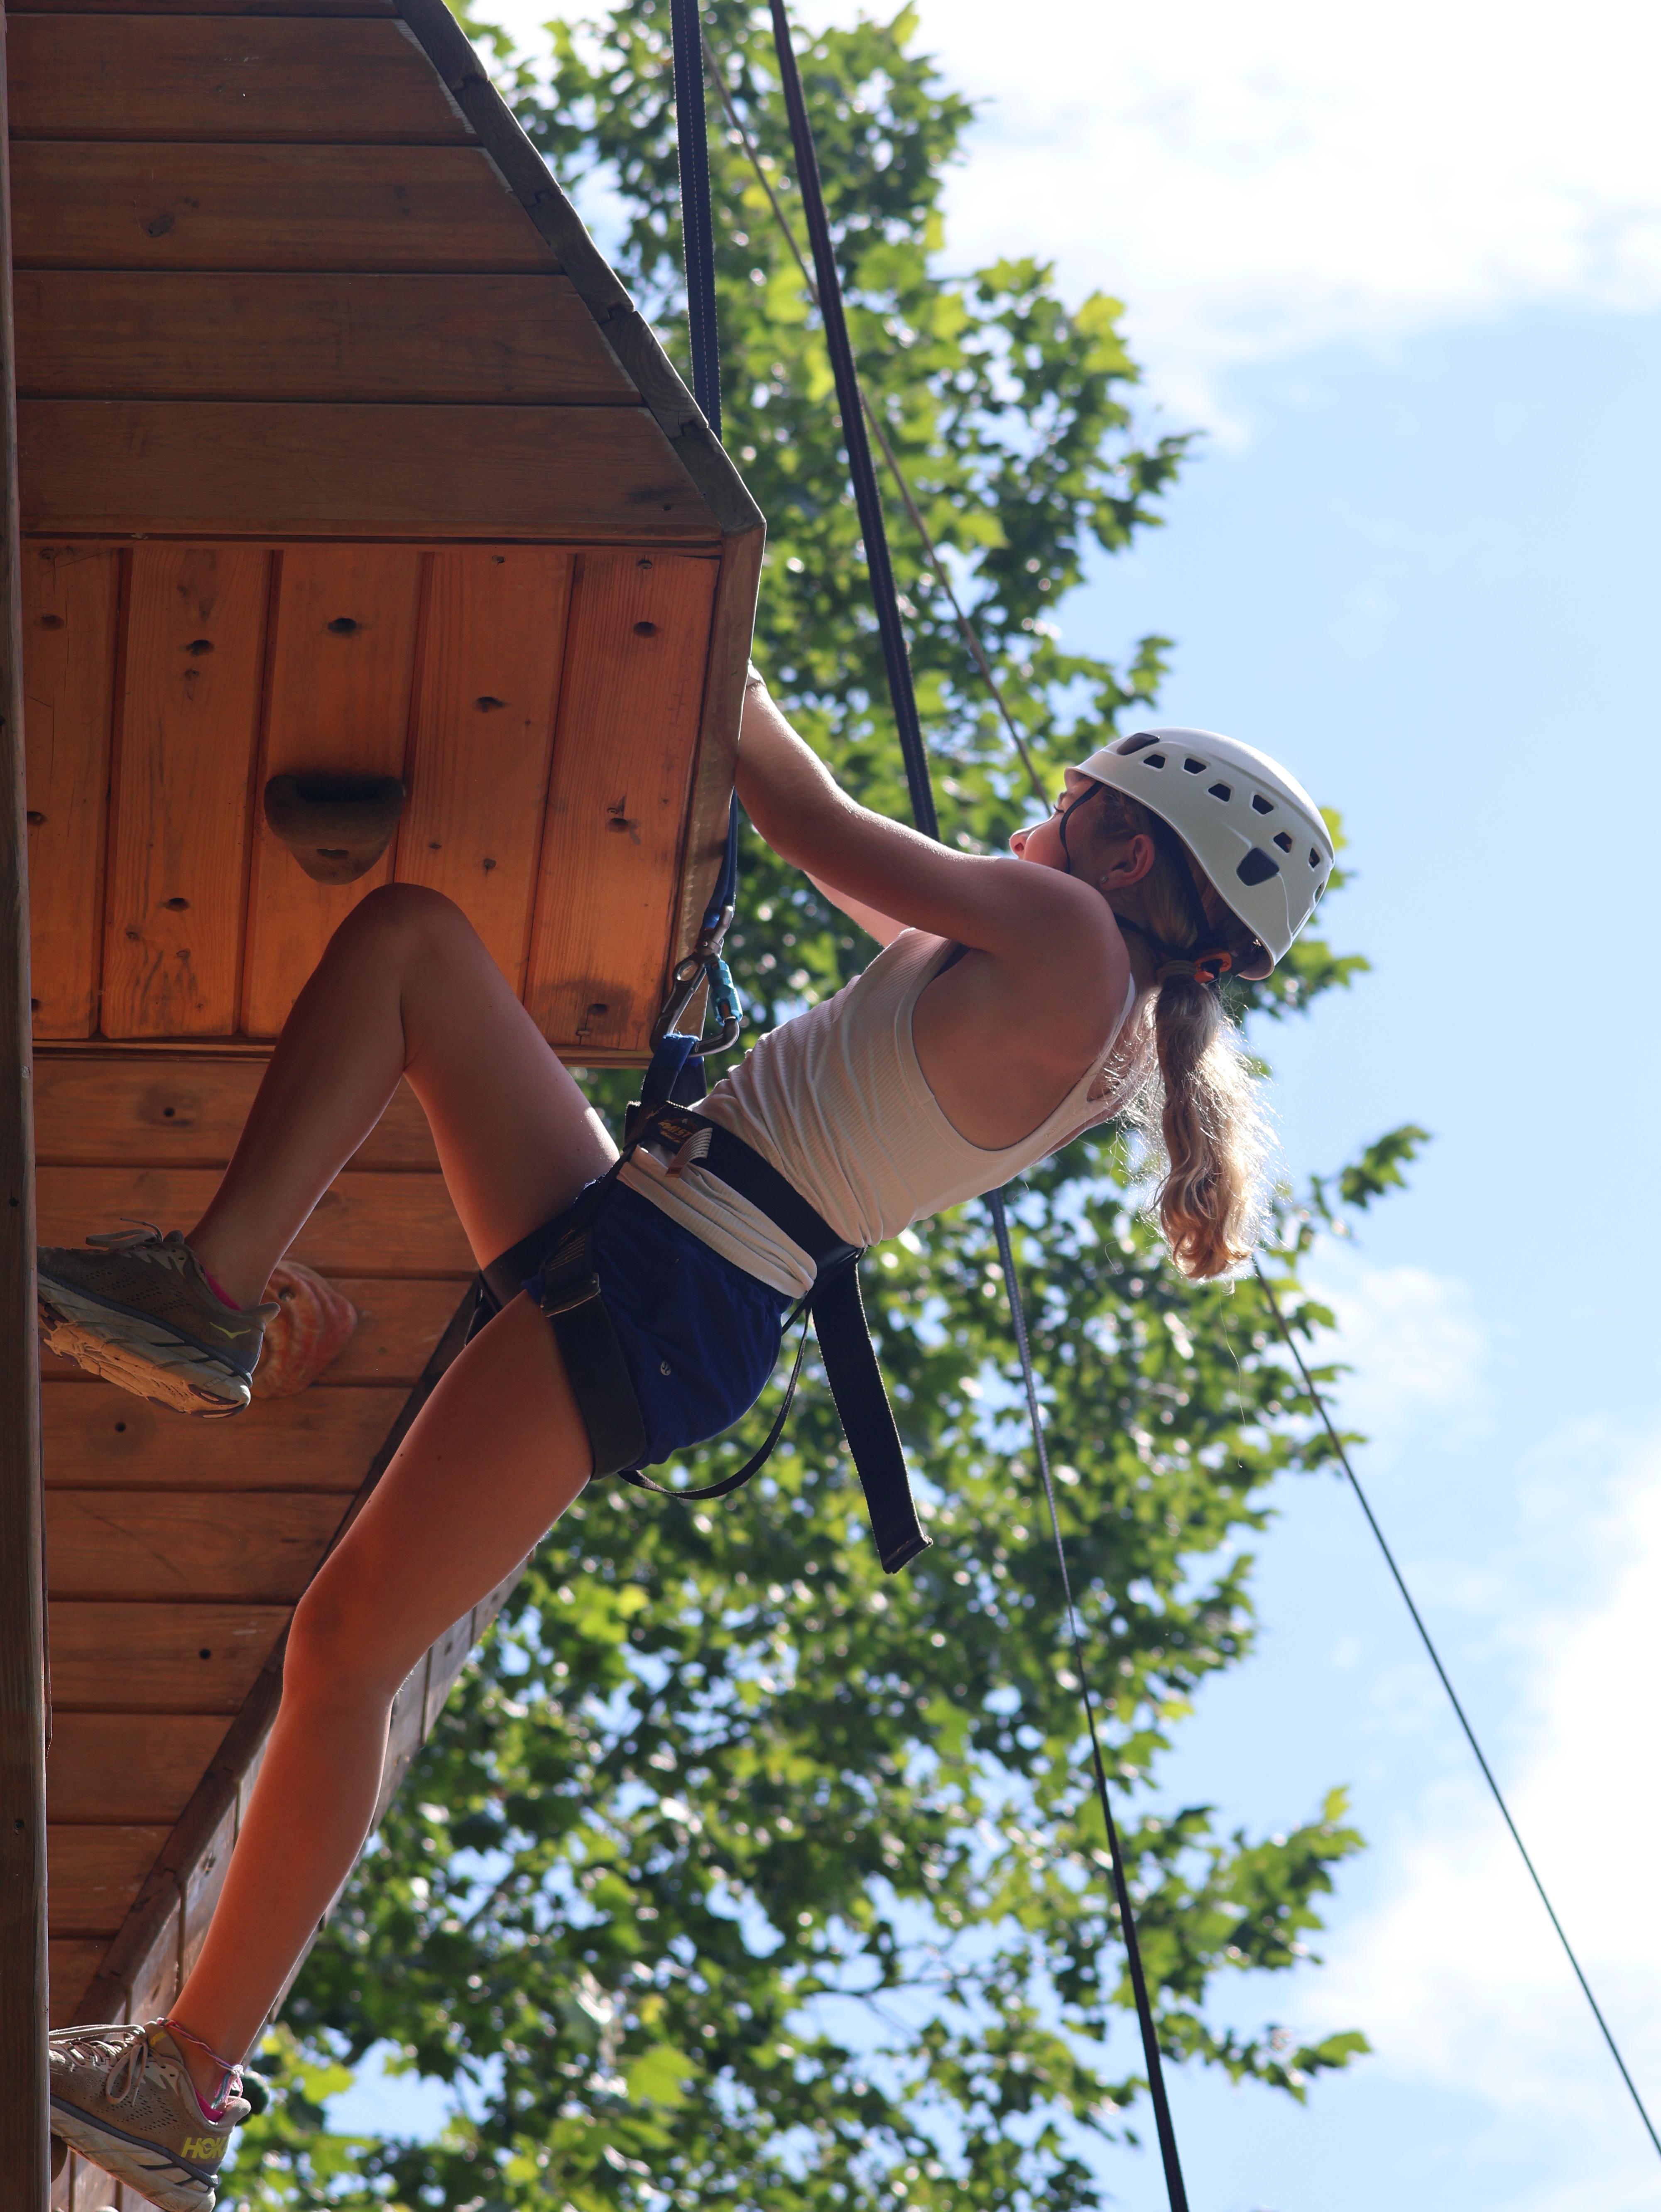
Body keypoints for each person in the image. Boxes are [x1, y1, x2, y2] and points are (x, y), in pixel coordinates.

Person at [39, 673, 1331, 2211]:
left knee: (346, 1648)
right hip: (662, 1234)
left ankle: (188, 2077)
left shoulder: (1065, 939)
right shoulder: (1080, 997)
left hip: (679, 1275)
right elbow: (856, 880)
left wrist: (727, 665)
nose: (1031, 822)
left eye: (1066, 809)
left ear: (1126, 854)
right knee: (413, 946)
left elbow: (815, 824)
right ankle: (208, 1291)